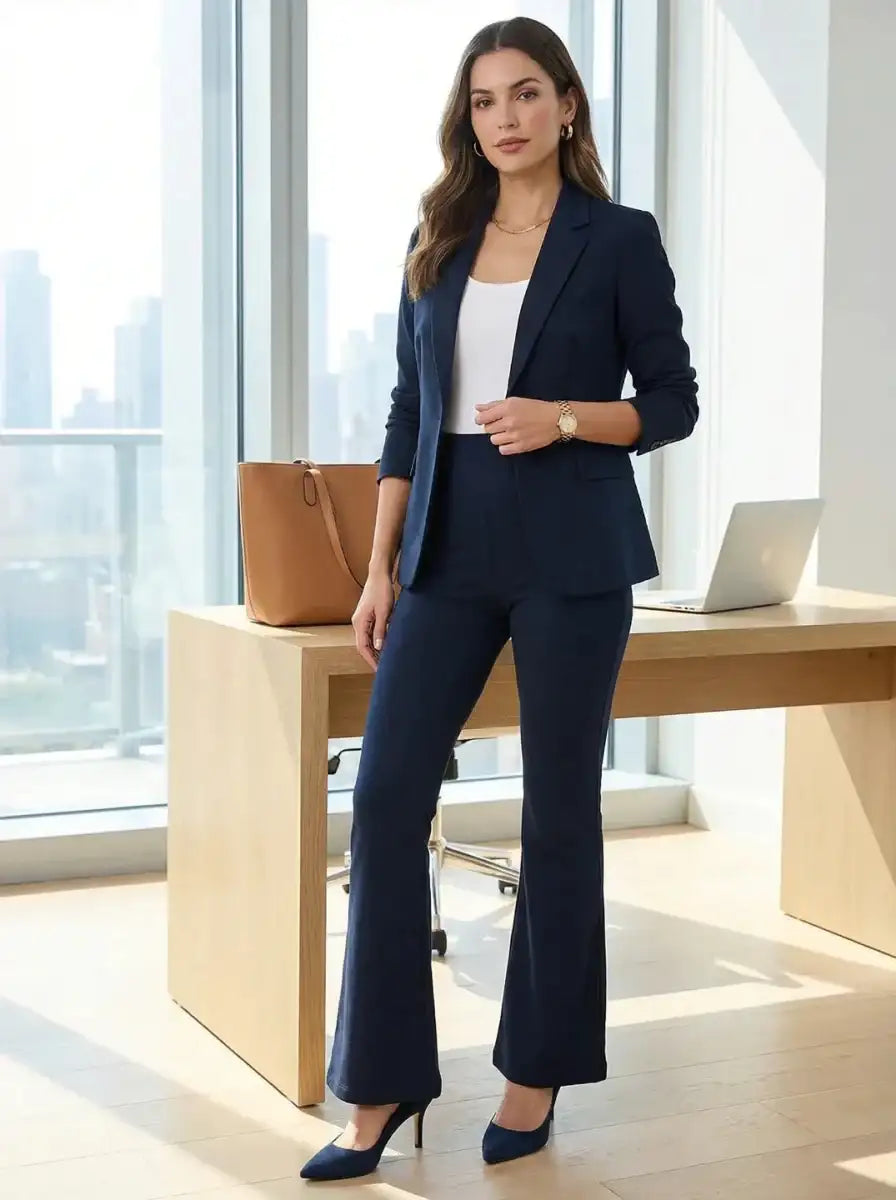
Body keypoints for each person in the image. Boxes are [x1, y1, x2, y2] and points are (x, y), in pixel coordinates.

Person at [300, 15, 697, 1183]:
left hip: (572, 549)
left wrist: (564, 417)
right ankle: (380, 1086)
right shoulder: (437, 239)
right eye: (483, 101)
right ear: (465, 119)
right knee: (384, 799)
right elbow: (406, 416)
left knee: (558, 811)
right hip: (444, 549)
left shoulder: (616, 238)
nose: (505, 118)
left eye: (525, 93)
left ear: (566, 105)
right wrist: (378, 568)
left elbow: (670, 402)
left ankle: (535, 1075)